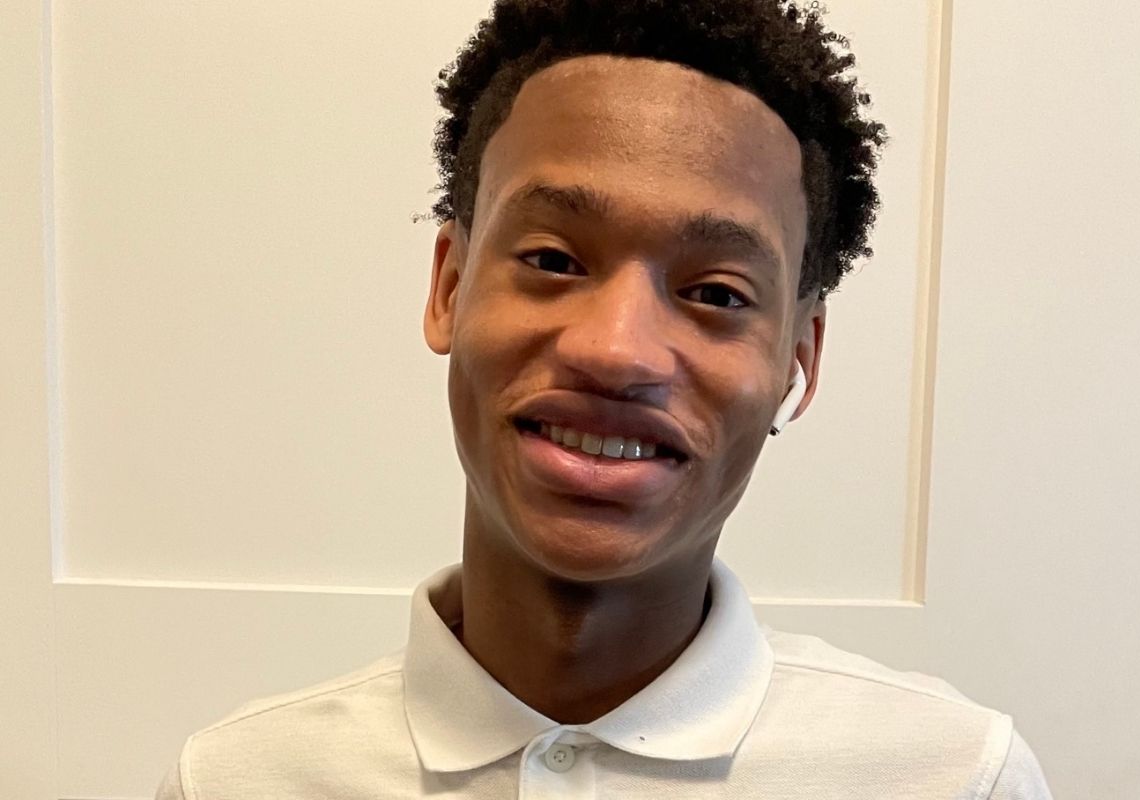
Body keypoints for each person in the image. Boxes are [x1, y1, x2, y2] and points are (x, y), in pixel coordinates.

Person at [155, 0, 1054, 797]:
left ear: (799, 359)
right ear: (449, 286)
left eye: (717, 294)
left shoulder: (955, 778)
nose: (616, 350)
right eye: (552, 259)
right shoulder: (236, 781)